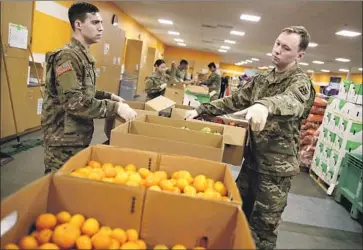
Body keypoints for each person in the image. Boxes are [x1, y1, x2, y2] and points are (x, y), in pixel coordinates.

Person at [185, 26, 315, 249]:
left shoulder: (300, 82)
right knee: (237, 215)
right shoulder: (262, 80)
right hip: (252, 161)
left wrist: (264, 105)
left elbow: (292, 101)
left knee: (263, 230)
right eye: (277, 44)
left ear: (299, 55)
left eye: (286, 48)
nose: (277, 51)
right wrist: (201, 109)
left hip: (276, 170)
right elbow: (234, 101)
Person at [41, 2, 137, 174]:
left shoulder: (82, 56)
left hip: (75, 136)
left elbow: (85, 92)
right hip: (63, 140)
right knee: (58, 185)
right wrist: (115, 108)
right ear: (78, 24)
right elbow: (74, 102)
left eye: (101, 23)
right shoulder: (67, 56)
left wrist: (109, 96)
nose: (101, 28)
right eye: (95, 23)